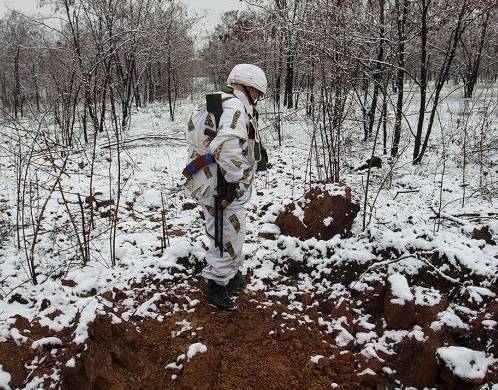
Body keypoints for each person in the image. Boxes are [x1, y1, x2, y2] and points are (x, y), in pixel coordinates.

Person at [199, 64, 267, 310]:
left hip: (211, 183)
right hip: (224, 186)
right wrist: (233, 181)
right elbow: (225, 147)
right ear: (249, 88)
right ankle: (217, 284)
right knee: (228, 234)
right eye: (257, 93)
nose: (257, 98)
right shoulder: (236, 107)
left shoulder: (224, 103)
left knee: (222, 231)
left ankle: (229, 273)